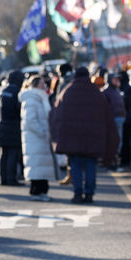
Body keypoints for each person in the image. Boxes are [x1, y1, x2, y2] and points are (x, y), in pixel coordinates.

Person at [49, 67, 119, 203]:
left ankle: (77, 193)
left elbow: (56, 113)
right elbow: (107, 116)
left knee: (74, 165)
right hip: (93, 137)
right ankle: (89, 194)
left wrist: (58, 136)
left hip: (72, 137)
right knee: (90, 166)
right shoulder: (95, 92)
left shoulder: (67, 91)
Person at [19, 75, 55, 201]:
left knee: (40, 165)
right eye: (41, 83)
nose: (44, 86)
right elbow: (30, 120)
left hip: (40, 137)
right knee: (36, 165)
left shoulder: (40, 98)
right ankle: (36, 191)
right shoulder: (31, 99)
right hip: (35, 137)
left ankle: (41, 191)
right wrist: (43, 132)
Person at [0, 70, 25, 186]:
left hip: (2, 124)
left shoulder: (2, 92)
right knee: (13, 153)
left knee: (3, 153)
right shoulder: (18, 92)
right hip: (14, 126)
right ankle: (11, 178)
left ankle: (3, 178)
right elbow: (20, 109)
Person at [101, 71, 126, 168]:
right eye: (115, 79)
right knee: (113, 141)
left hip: (119, 119)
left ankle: (114, 160)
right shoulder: (106, 92)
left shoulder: (116, 91)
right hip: (113, 120)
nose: (117, 80)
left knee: (118, 141)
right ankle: (111, 161)